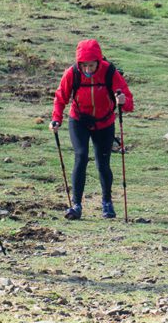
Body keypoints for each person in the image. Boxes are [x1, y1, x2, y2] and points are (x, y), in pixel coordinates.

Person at [50, 39, 134, 220]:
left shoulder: (109, 72)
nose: (88, 70)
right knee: (81, 156)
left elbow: (128, 101)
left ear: (98, 61)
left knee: (102, 163)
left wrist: (123, 101)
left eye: (92, 65)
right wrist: (56, 119)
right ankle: (76, 205)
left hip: (104, 123)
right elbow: (60, 97)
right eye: (84, 65)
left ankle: (107, 203)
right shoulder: (72, 73)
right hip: (79, 121)